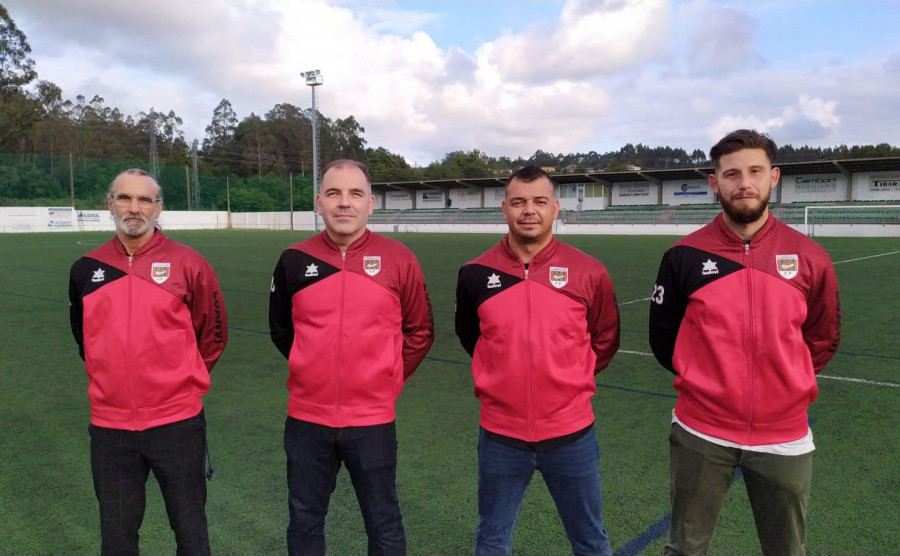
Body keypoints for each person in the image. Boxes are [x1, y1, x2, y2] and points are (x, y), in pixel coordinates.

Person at [649, 129, 841, 556]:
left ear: (773, 178)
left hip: (784, 434)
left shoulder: (810, 257)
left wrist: (784, 385)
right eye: (732, 174)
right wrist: (704, 381)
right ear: (715, 182)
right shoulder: (683, 256)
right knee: (684, 548)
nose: (744, 183)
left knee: (787, 550)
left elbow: (823, 337)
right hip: (701, 430)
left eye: (755, 171)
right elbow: (664, 339)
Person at [269, 159, 434, 556]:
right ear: (319, 202)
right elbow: (281, 331)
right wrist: (313, 370)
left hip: (372, 420)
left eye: (355, 194)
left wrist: (387, 378)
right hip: (307, 421)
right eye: (334, 194)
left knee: (383, 521)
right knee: (305, 520)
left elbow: (420, 331)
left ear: (371, 203)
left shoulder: (400, 259)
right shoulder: (293, 259)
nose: (345, 203)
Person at [455, 165, 620, 556]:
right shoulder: (475, 273)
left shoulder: (589, 271)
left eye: (539, 202)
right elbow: (470, 336)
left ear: (555, 208)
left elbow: (605, 339)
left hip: (572, 435)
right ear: (504, 208)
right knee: (492, 540)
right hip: (500, 436)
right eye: (519, 202)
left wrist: (568, 376)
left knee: (591, 540)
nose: (529, 210)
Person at [68, 168, 228, 556]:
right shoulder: (86, 269)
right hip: (111, 428)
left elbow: (214, 333)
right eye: (124, 198)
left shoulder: (190, 264)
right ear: (110, 204)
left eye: (144, 200)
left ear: (159, 208)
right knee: (117, 536)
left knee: (190, 530)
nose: (133, 208)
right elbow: (84, 338)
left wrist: (181, 380)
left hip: (177, 423)